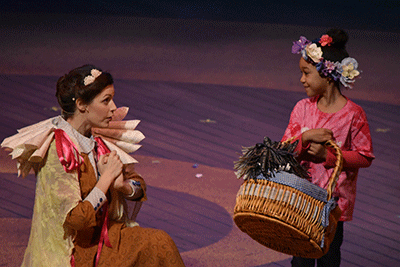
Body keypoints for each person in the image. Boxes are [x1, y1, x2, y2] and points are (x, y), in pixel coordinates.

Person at [1, 65, 185, 266]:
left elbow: (139, 187)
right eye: (106, 101)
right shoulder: (59, 150)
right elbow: (76, 220)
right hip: (74, 250)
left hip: (106, 236)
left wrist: (122, 186)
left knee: (159, 243)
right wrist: (105, 180)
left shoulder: (97, 137)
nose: (114, 107)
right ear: (82, 105)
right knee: (154, 246)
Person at [282, 29, 375, 266]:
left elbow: (364, 156)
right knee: (301, 258)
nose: (302, 79)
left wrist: (329, 156)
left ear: (327, 74)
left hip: (333, 205)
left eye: (306, 73)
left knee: (329, 257)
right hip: (302, 200)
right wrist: (307, 137)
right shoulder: (303, 108)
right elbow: (284, 149)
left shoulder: (353, 114)